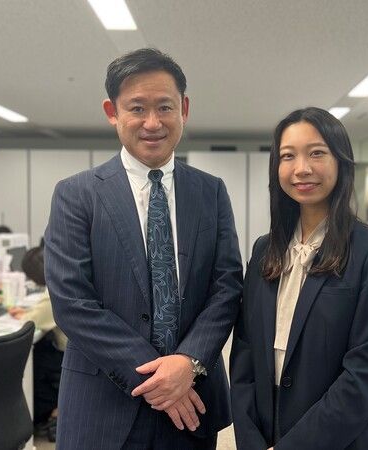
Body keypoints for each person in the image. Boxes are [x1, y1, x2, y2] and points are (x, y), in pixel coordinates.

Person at [44, 48, 242, 449]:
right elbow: (72, 302)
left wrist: (187, 363)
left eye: (165, 107)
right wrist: (159, 379)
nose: (152, 122)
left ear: (184, 109)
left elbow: (226, 287)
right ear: (112, 112)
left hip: (192, 401)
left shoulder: (211, 192)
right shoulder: (76, 195)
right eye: (137, 108)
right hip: (102, 404)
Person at [230, 107, 368, 450]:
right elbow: (245, 354)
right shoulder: (265, 250)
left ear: (341, 161)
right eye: (288, 156)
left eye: (316, 153)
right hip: (265, 433)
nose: (302, 168)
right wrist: (250, 440)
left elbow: (365, 374)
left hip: (341, 439)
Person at [8, 246, 65, 442]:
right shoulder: (61, 280)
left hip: (66, 355)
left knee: (35, 360)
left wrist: (24, 315)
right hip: (73, 350)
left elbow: (32, 321)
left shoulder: (53, 292)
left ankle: (53, 411)